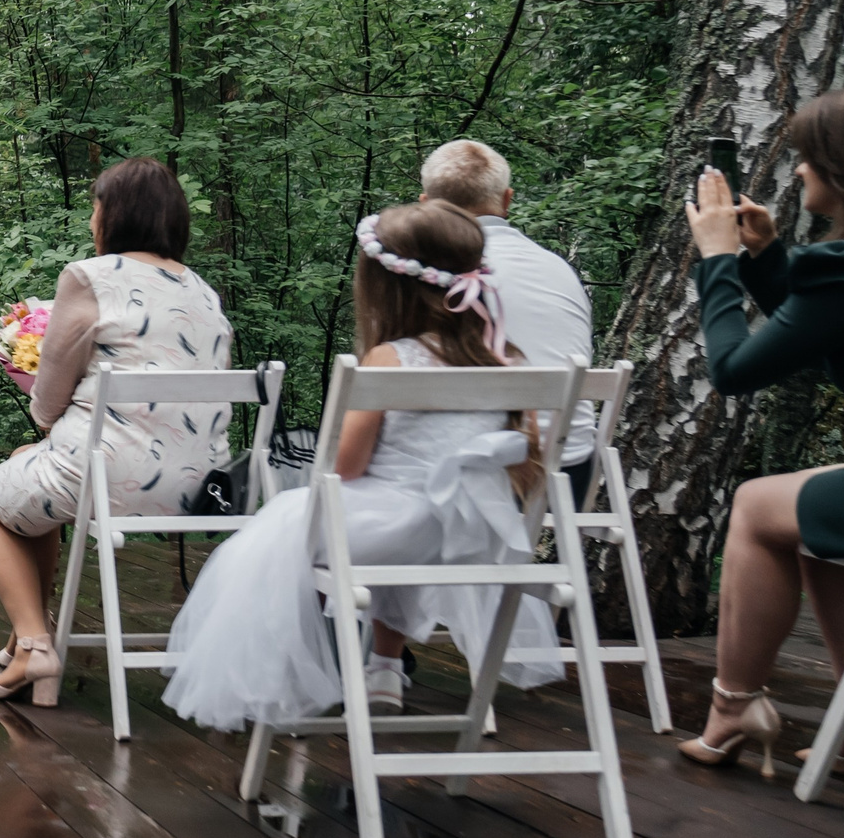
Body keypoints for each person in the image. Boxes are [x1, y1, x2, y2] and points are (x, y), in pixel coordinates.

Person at [159, 200, 563, 729]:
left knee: (275, 536)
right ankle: (384, 667)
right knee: (394, 520)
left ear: (384, 288)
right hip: (470, 531)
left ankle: (277, 678)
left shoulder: (389, 359)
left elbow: (346, 469)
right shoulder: (507, 356)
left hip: (393, 528)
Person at [0, 157, 234, 704]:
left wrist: (31, 373)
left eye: (95, 207)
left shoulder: (89, 277)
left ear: (114, 215)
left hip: (106, 478)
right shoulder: (205, 292)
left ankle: (37, 646)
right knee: (26, 466)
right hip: (199, 487)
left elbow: (47, 409)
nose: (92, 220)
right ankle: (25, 637)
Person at [675, 88, 844, 776]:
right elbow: (820, 341)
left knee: (758, 504)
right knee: (812, 521)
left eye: (809, 158)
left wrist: (717, 260)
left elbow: (732, 370)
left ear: (843, 172)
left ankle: (733, 702)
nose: (801, 172)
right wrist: (765, 258)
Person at [420, 138, 600, 496]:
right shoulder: (559, 269)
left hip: (478, 472)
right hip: (571, 471)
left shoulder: (430, 273)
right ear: (507, 199)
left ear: (426, 207)